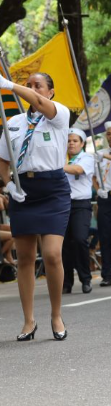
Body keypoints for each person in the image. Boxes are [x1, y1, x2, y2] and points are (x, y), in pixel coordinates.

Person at [0, 71, 70, 341]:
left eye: (39, 86)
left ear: (51, 92)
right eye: (29, 85)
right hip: (23, 191)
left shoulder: (59, 114)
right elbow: (2, 159)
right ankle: (28, 320)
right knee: (24, 258)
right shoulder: (13, 122)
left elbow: (37, 101)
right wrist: (7, 183)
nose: (33, 89)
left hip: (53, 190)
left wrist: (9, 85)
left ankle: (56, 315)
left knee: (52, 255)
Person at [62, 128, 94, 294]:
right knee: (64, 244)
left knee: (80, 239)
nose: (71, 143)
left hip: (81, 204)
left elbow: (78, 170)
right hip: (62, 205)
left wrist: (57, 166)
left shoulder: (86, 158)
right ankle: (66, 282)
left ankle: (86, 279)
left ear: (82, 143)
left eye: (75, 141)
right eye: (68, 141)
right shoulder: (61, 158)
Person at [94, 121, 111, 287]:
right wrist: (98, 189)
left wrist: (105, 156)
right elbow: (94, 176)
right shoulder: (101, 153)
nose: (110, 137)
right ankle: (107, 274)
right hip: (106, 198)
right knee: (105, 236)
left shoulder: (104, 155)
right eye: (109, 134)